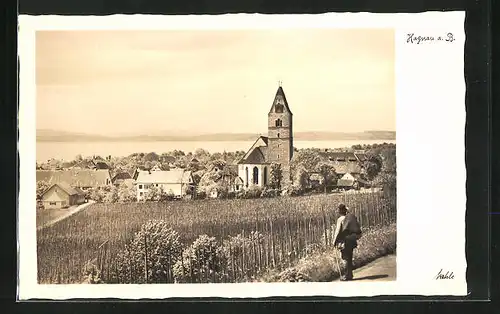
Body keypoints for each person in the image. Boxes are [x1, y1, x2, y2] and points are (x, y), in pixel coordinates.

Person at [332, 203, 362, 281]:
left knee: (345, 258)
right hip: (351, 240)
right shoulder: (349, 217)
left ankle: (346, 275)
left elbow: (338, 231)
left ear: (339, 211)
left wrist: (334, 241)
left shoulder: (340, 219)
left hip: (344, 241)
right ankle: (350, 274)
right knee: (349, 257)